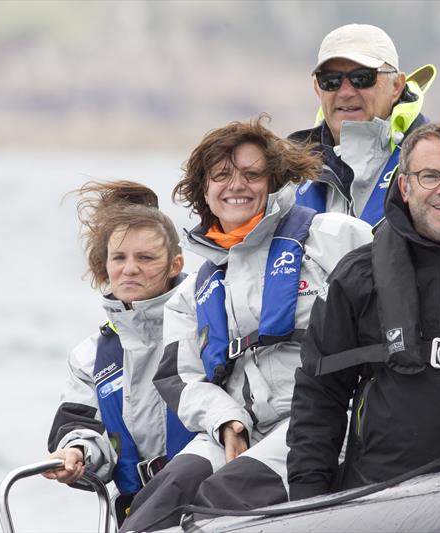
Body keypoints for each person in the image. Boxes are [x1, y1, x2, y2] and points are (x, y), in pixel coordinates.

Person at [120, 118, 372, 531]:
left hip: (321, 418)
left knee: (225, 498)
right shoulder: (192, 294)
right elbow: (182, 380)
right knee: (156, 503)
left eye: (251, 174)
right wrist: (225, 420)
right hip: (239, 427)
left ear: (273, 180)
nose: (236, 185)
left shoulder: (337, 237)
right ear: (204, 190)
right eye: (221, 175)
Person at [286, 122, 440, 499]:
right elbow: (319, 394)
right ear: (405, 186)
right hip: (380, 493)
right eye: (430, 176)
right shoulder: (357, 274)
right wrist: (307, 494)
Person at [45, 181, 192, 525]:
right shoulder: (90, 357)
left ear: (175, 264)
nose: (130, 269)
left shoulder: (209, 320)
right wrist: (76, 453)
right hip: (137, 511)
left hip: (213, 499)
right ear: (105, 264)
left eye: (145, 258)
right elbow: (86, 430)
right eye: (120, 258)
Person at [292, 23, 436, 226]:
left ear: (397, 86)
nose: (346, 92)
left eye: (362, 78)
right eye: (331, 80)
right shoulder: (288, 172)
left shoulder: (439, 161)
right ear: (317, 88)